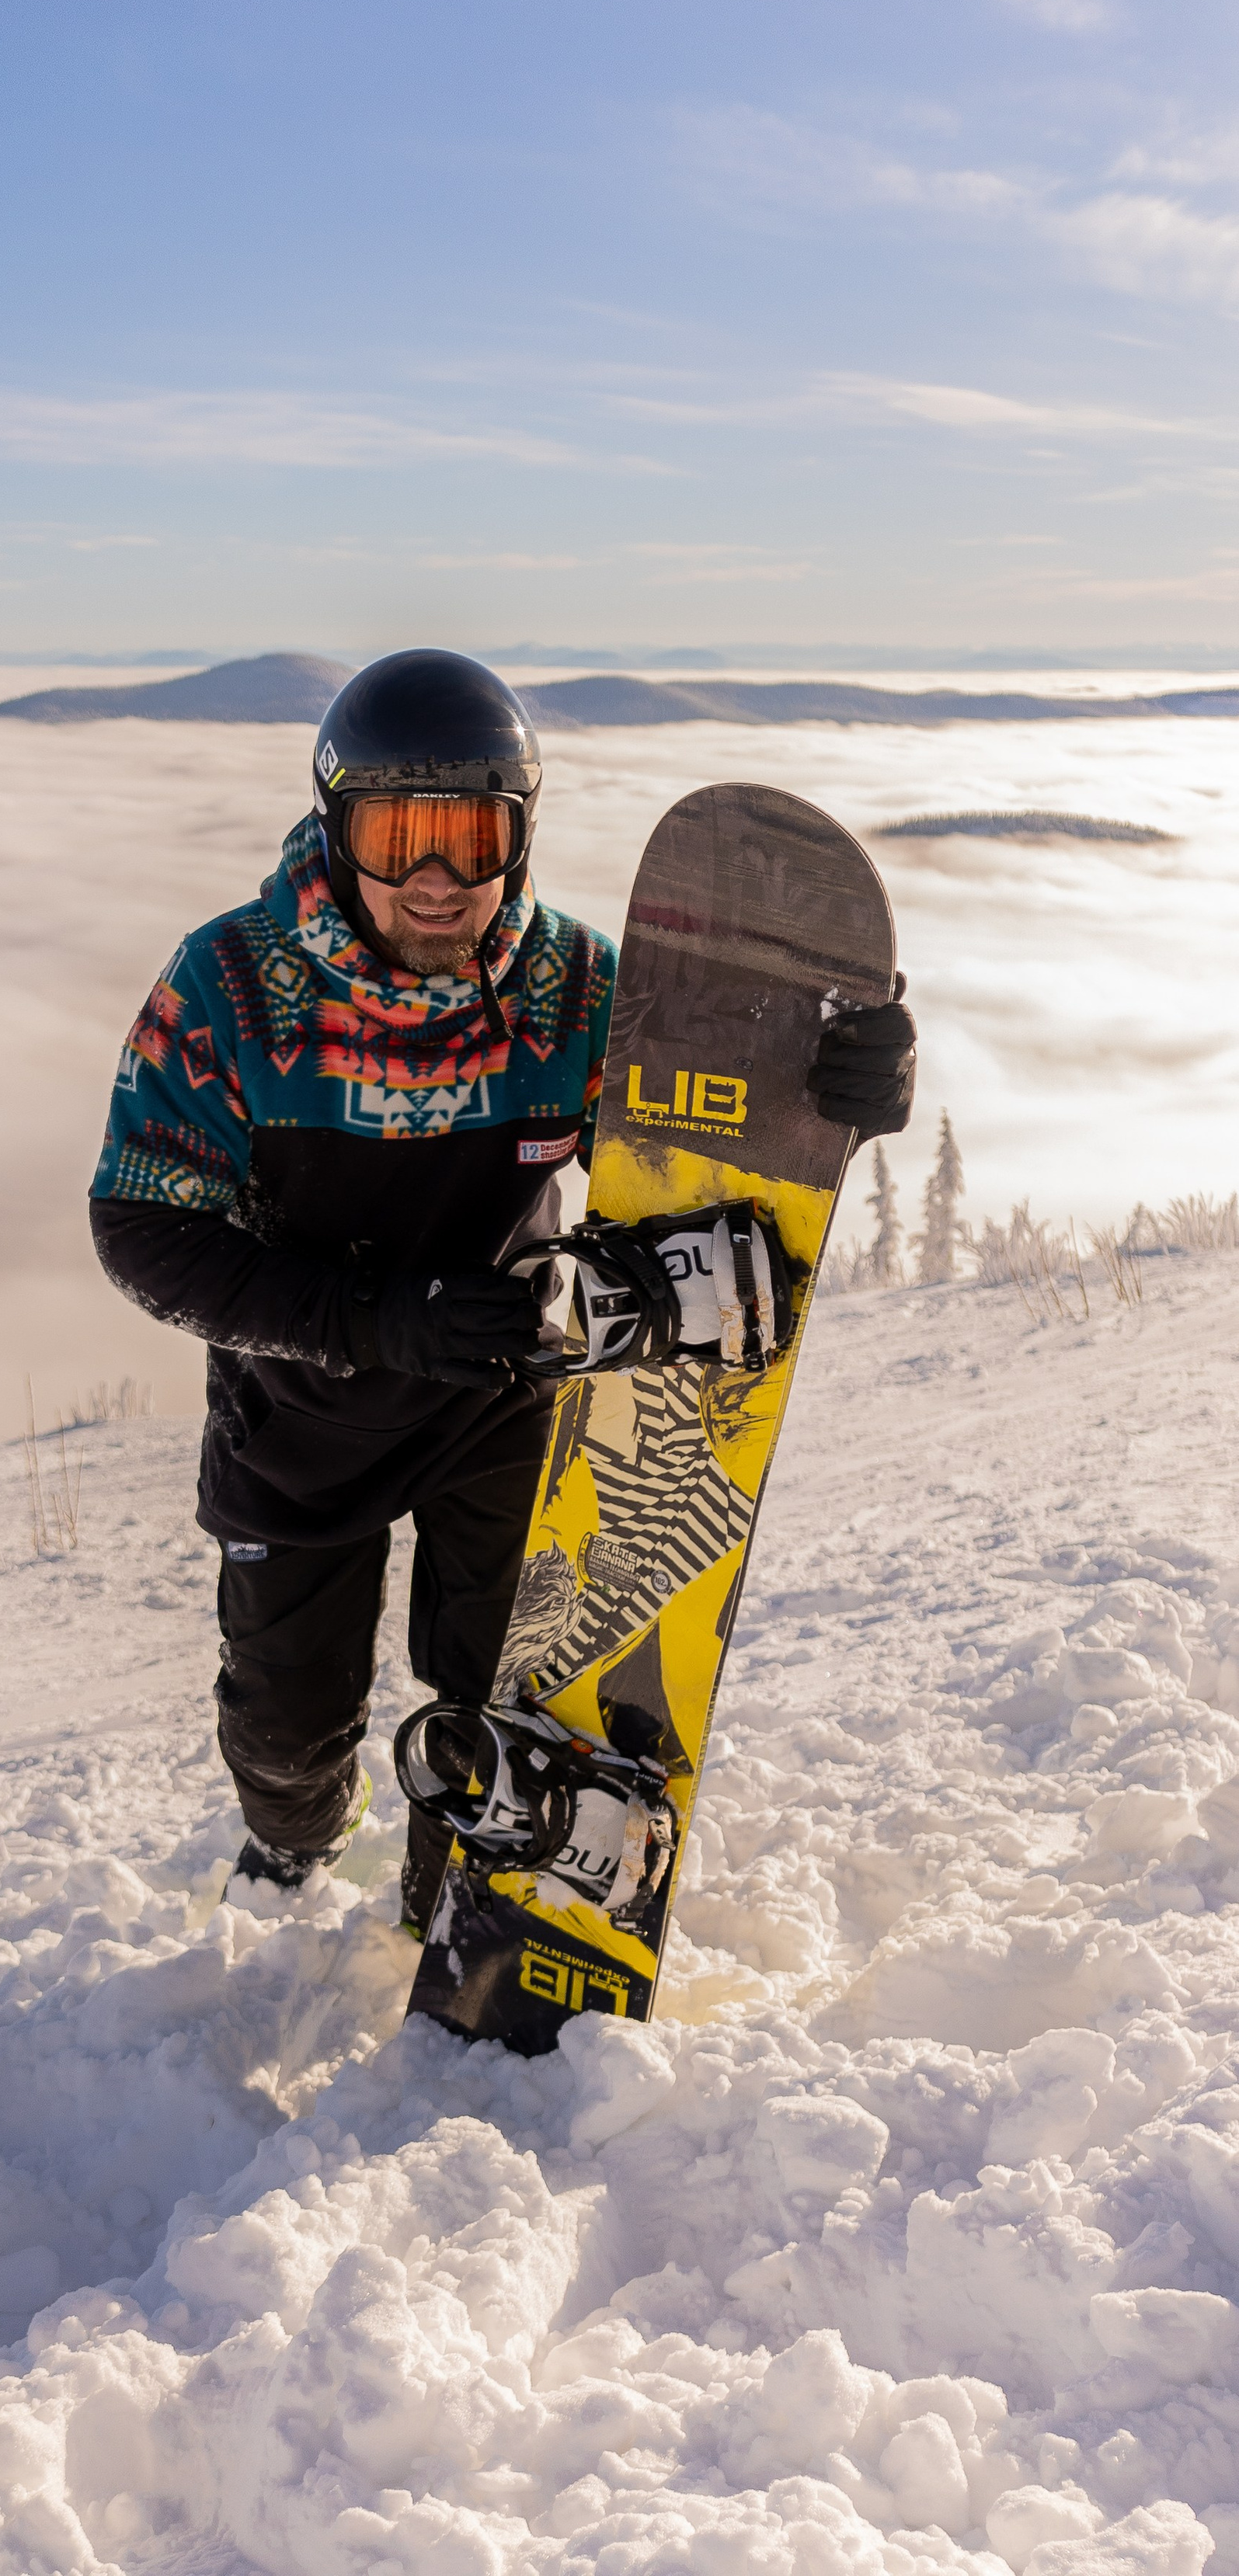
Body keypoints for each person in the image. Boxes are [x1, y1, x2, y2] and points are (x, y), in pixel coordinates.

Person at [87, 650, 914, 1932]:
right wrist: (370, 1318)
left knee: (497, 1705)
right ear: (334, 825)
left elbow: (711, 1149)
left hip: (502, 1402)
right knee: (285, 1735)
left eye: (470, 839)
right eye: (399, 834)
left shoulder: (570, 991)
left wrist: (838, 1093)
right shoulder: (232, 990)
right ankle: (302, 1833)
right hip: (303, 1420)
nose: (435, 878)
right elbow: (142, 1225)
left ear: (518, 838)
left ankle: (452, 1909)